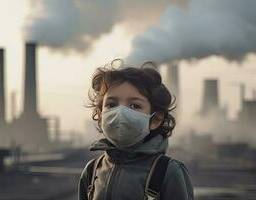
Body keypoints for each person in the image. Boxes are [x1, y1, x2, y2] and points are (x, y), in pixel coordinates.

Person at [78, 60, 194, 200]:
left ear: (155, 119)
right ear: (101, 115)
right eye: (111, 104)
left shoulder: (168, 172)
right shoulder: (91, 171)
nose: (121, 112)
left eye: (134, 106)